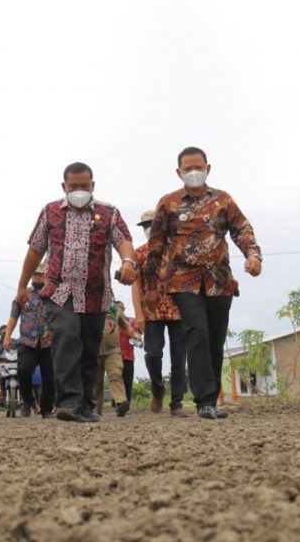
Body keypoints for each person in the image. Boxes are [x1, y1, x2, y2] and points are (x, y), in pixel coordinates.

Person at [144, 147, 262, 420]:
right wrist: (151, 286)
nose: (193, 172)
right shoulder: (168, 203)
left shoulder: (223, 200)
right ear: (179, 172)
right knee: (197, 333)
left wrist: (253, 255)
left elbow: (242, 229)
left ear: (208, 168)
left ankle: (212, 396)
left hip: (219, 281)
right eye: (188, 169)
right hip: (183, 282)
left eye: (199, 167)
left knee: (215, 339)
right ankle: (205, 402)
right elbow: (156, 245)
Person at [17, 162, 138, 422]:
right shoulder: (50, 212)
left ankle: (85, 404)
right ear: (64, 187)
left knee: (89, 349)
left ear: (93, 186)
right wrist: (21, 286)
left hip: (96, 293)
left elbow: (124, 241)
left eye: (85, 186)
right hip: (59, 291)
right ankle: (69, 401)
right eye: (74, 187)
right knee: (67, 337)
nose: (79, 191)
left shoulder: (109, 213)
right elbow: (35, 250)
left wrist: (128, 262)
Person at [132, 209, 190, 417]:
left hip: (178, 309)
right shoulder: (138, 254)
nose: (150, 229)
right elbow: (136, 286)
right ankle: (157, 388)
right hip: (152, 311)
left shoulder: (177, 251)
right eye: (146, 226)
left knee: (178, 356)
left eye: (154, 225)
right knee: (153, 354)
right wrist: (139, 314)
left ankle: (176, 403)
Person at [3, 264, 55, 419]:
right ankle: (28, 400)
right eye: (35, 274)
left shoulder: (52, 295)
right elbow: (13, 315)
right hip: (27, 341)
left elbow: (59, 315)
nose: (37, 277)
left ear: (45, 276)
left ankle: (46, 409)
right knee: (23, 370)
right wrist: (7, 337)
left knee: (49, 376)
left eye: (40, 274)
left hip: (48, 342)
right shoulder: (23, 294)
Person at [94, 302, 130, 417]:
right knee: (96, 382)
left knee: (115, 374)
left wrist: (134, 335)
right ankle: (95, 410)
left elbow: (125, 325)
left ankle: (121, 403)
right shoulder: (90, 306)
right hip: (94, 349)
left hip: (112, 349)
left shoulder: (115, 309)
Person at [116, 301, 139, 414]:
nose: (119, 310)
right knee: (116, 379)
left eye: (121, 307)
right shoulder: (112, 322)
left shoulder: (132, 321)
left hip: (128, 356)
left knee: (128, 381)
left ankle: (126, 405)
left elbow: (136, 336)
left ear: (124, 309)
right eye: (117, 308)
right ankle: (118, 404)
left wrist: (136, 338)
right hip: (115, 356)